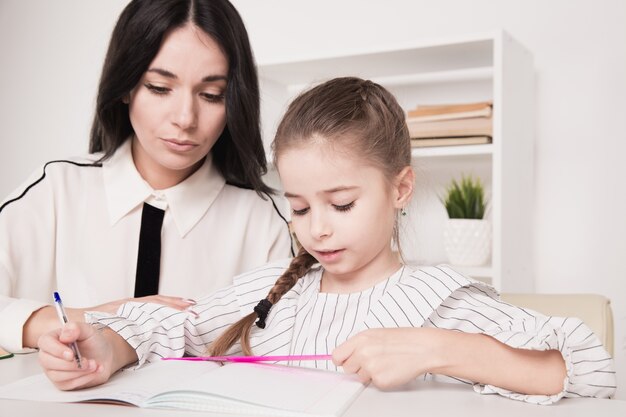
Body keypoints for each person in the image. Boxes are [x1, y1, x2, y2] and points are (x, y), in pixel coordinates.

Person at [37, 77, 616, 403]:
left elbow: (591, 370)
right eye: (298, 207)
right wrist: (106, 348)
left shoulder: (441, 299)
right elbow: (176, 325)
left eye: (342, 204)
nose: (317, 227)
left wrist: (441, 349)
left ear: (400, 188)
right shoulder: (271, 292)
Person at [0, 0, 293, 354]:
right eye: (159, 87)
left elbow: (293, 343)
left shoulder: (267, 220)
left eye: (212, 95)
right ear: (125, 87)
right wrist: (86, 319)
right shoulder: (57, 189)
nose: (185, 118)